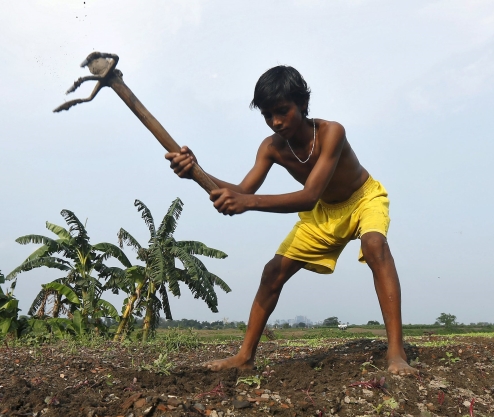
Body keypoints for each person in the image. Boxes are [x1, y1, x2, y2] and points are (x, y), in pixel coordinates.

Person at [165, 66, 416, 375]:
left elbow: (308, 195)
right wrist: (195, 172)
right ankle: (244, 356)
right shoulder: (271, 148)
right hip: (324, 211)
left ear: (303, 104)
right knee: (273, 272)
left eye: (283, 111)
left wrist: (248, 203)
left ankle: (396, 352)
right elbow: (242, 190)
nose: (276, 121)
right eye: (267, 115)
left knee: (375, 245)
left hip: (363, 199)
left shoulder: (331, 133)